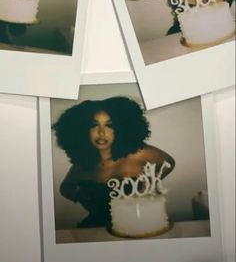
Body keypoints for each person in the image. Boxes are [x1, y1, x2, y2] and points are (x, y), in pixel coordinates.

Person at [53, 96, 175, 229]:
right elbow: (65, 189)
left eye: (109, 125)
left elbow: (169, 163)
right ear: (83, 129)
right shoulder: (82, 165)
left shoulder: (138, 154)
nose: (101, 132)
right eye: (94, 125)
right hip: (94, 230)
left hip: (135, 228)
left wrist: (150, 182)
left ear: (120, 128)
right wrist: (79, 196)